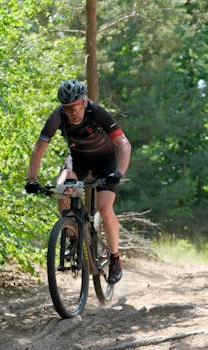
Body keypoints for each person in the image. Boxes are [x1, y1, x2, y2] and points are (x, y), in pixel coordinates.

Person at [25, 79, 131, 285]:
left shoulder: (97, 112)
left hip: (106, 161)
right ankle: (74, 237)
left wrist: (119, 172)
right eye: (67, 109)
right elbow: (39, 149)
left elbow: (124, 144)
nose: (72, 112)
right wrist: (32, 179)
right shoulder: (57, 117)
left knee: (104, 207)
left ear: (83, 102)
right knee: (62, 188)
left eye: (75, 107)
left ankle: (115, 257)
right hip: (78, 158)